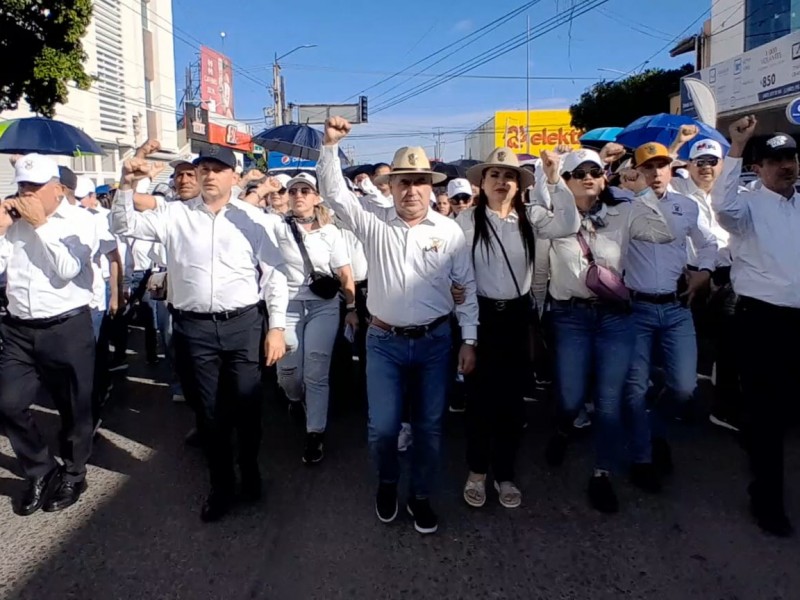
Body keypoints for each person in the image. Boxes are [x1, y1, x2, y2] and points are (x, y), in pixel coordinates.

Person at [317, 116, 479, 535]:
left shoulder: (450, 231)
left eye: (419, 181)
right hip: (384, 341)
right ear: (390, 187)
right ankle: (388, 483)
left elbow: (466, 285)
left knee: (429, 427)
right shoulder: (373, 222)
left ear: (432, 187)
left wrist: (471, 337)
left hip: (436, 342)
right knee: (383, 428)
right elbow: (334, 194)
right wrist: (330, 146)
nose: (411, 190)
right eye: (403, 181)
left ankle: (421, 495)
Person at [111, 145, 290, 523]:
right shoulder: (174, 214)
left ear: (234, 177)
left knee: (248, 404)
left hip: (243, 324)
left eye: (217, 169)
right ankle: (220, 484)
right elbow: (123, 225)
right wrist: (126, 184)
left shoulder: (253, 220)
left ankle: (250, 469)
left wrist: (276, 327)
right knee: (209, 412)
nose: (208, 175)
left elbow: (275, 276)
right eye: (203, 168)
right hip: (194, 327)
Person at [537, 149, 673, 513]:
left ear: (604, 177)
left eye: (594, 171)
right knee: (570, 396)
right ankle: (565, 427)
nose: (587, 177)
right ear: (564, 181)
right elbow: (540, 274)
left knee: (610, 402)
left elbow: (664, 233)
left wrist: (643, 191)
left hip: (615, 317)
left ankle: (601, 473)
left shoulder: (623, 212)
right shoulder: (552, 219)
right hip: (569, 316)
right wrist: (535, 319)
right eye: (577, 172)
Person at [456, 147, 580, 510]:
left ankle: (505, 473)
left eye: (508, 176)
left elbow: (569, 223)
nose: (501, 182)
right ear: (482, 182)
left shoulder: (532, 217)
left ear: (518, 184)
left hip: (516, 318)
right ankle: (477, 471)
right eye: (494, 175)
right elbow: (451, 266)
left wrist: (555, 179)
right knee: (479, 401)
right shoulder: (466, 222)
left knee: (512, 403)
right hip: (479, 316)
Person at [713, 116, 800, 537]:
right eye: (775, 159)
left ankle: (753, 435)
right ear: (758, 167)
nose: (785, 165)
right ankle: (767, 500)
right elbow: (721, 207)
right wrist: (735, 149)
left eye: (790, 157)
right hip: (762, 321)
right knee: (768, 416)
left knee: (783, 413)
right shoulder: (745, 205)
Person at [0, 154, 97, 516]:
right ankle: (40, 468)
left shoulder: (78, 221)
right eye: (22, 186)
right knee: (8, 403)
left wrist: (41, 226)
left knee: (74, 407)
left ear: (57, 190)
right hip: (19, 327)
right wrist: (0, 230)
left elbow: (68, 269)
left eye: (34, 188)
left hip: (65, 326)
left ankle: (74, 472)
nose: (25, 195)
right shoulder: (12, 220)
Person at [624, 142, 718, 492]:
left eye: (661, 166)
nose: (656, 173)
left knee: (683, 387)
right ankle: (642, 457)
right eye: (648, 167)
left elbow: (708, 243)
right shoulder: (627, 210)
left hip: (677, 308)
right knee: (634, 388)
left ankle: (654, 430)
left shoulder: (687, 206)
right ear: (637, 172)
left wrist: (704, 271)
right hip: (637, 308)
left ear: (671, 169)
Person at [273, 173, 357, 465]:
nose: (298, 195)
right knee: (289, 374)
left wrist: (351, 307)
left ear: (316, 197)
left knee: (317, 371)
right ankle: (295, 400)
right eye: (293, 190)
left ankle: (315, 433)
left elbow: (345, 272)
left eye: (305, 190)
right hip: (287, 306)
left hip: (323, 306)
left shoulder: (330, 232)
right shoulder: (276, 227)